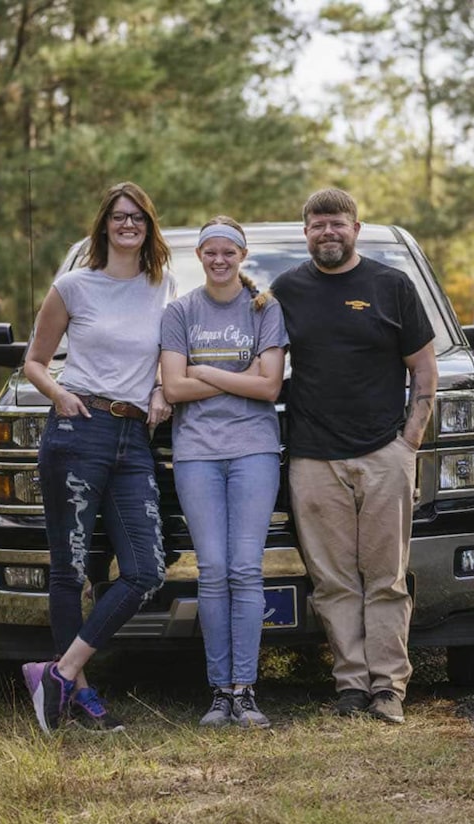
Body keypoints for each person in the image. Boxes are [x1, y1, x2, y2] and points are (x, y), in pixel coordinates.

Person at [269, 188, 438, 725]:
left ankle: (389, 688)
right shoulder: (286, 290)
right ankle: (350, 685)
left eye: (337, 223)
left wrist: (409, 440)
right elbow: (260, 362)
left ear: (356, 228)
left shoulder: (392, 285)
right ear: (306, 233)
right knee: (334, 581)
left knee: (385, 577)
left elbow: (424, 368)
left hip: (383, 453)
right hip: (313, 459)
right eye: (318, 225)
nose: (328, 233)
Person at [20, 181, 175, 734]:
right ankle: (80, 695)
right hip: (78, 429)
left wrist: (160, 389)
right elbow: (35, 361)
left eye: (137, 217)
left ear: (149, 226)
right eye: (119, 216)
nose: (128, 224)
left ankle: (58, 672)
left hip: (134, 438)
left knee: (146, 570)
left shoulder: (163, 286)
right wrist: (59, 394)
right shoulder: (73, 286)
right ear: (104, 225)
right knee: (70, 569)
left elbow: (165, 357)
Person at [159, 216, 288, 729]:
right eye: (210, 252)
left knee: (245, 568)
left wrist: (203, 372)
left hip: (254, 450)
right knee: (211, 570)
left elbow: (271, 388)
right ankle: (219, 692)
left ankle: (245, 690)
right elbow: (171, 388)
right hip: (196, 454)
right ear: (199, 256)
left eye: (228, 252)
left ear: (241, 255)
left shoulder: (265, 308)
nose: (219, 260)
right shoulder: (180, 312)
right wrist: (241, 377)